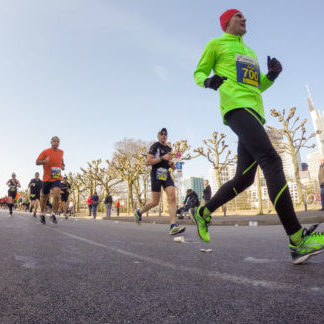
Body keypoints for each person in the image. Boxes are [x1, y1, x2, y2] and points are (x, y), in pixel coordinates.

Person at [193, 9, 324, 264]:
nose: (244, 19)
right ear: (226, 22)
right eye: (238, 16)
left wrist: (272, 76)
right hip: (235, 108)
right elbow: (198, 74)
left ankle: (204, 212)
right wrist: (209, 81)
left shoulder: (249, 52)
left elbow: (257, 86)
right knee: (272, 160)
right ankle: (297, 240)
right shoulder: (216, 44)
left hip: (255, 112)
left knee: (244, 179)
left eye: (244, 17)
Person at [134, 128, 185, 235]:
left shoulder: (168, 148)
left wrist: (172, 165)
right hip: (156, 173)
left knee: (172, 196)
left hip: (165, 173)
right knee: (155, 202)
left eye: (165, 134)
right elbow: (147, 162)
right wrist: (162, 158)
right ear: (158, 136)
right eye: (161, 134)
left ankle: (173, 226)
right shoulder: (155, 146)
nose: (163, 136)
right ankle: (139, 212)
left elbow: (168, 162)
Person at [36, 136, 65, 225]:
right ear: (51, 142)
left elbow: (62, 161)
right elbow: (37, 162)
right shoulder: (45, 151)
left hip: (56, 177)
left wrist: (63, 166)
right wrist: (44, 161)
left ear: (59, 143)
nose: (56, 143)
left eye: (58, 141)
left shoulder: (61, 152)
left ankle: (52, 214)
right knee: (44, 198)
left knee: (56, 195)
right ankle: (42, 214)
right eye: (54, 141)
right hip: (46, 178)